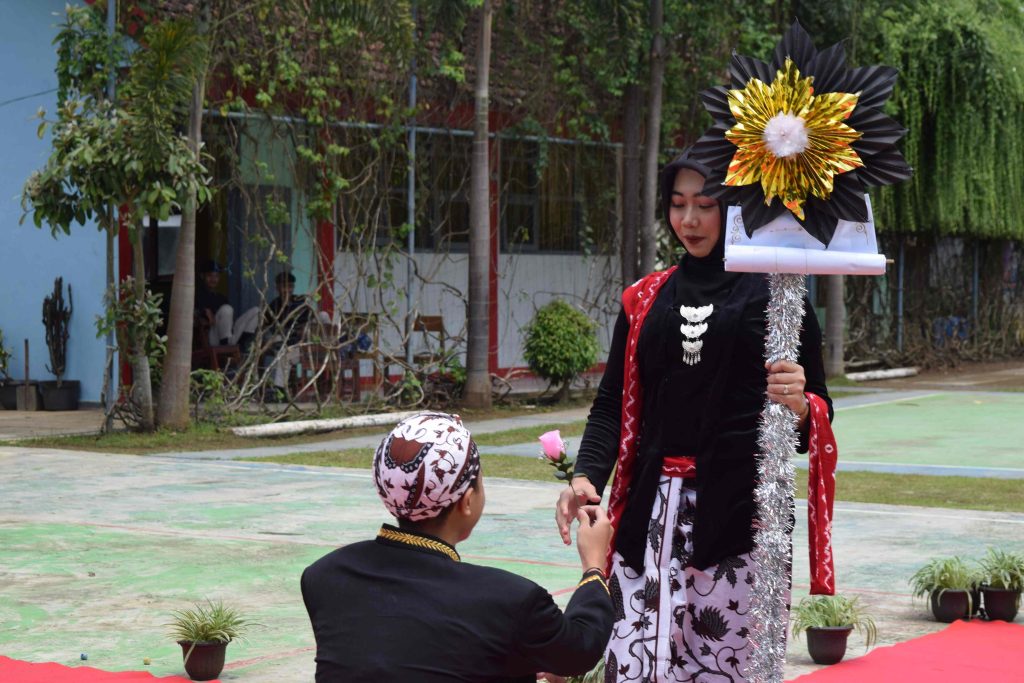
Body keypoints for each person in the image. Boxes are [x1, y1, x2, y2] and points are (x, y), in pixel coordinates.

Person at [554, 149, 836, 681]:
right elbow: (612, 403)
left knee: (725, 664)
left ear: (734, 209)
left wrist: (801, 404)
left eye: (705, 205)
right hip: (646, 518)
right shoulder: (644, 299)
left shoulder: (779, 297)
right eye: (678, 204)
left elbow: (815, 412)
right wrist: (586, 475)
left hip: (739, 523)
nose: (689, 220)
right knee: (636, 663)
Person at [301, 412, 616, 682]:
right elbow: (579, 650)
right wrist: (593, 565)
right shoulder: (511, 600)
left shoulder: (324, 575)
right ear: (467, 501)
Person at [194, 259, 258, 349]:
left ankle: (242, 344)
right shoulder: (197, 294)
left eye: (216, 276)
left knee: (256, 311)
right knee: (226, 309)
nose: (213, 279)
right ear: (202, 276)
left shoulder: (221, 298)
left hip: (229, 334)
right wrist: (204, 311)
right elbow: (197, 313)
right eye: (210, 276)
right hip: (213, 337)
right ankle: (226, 344)